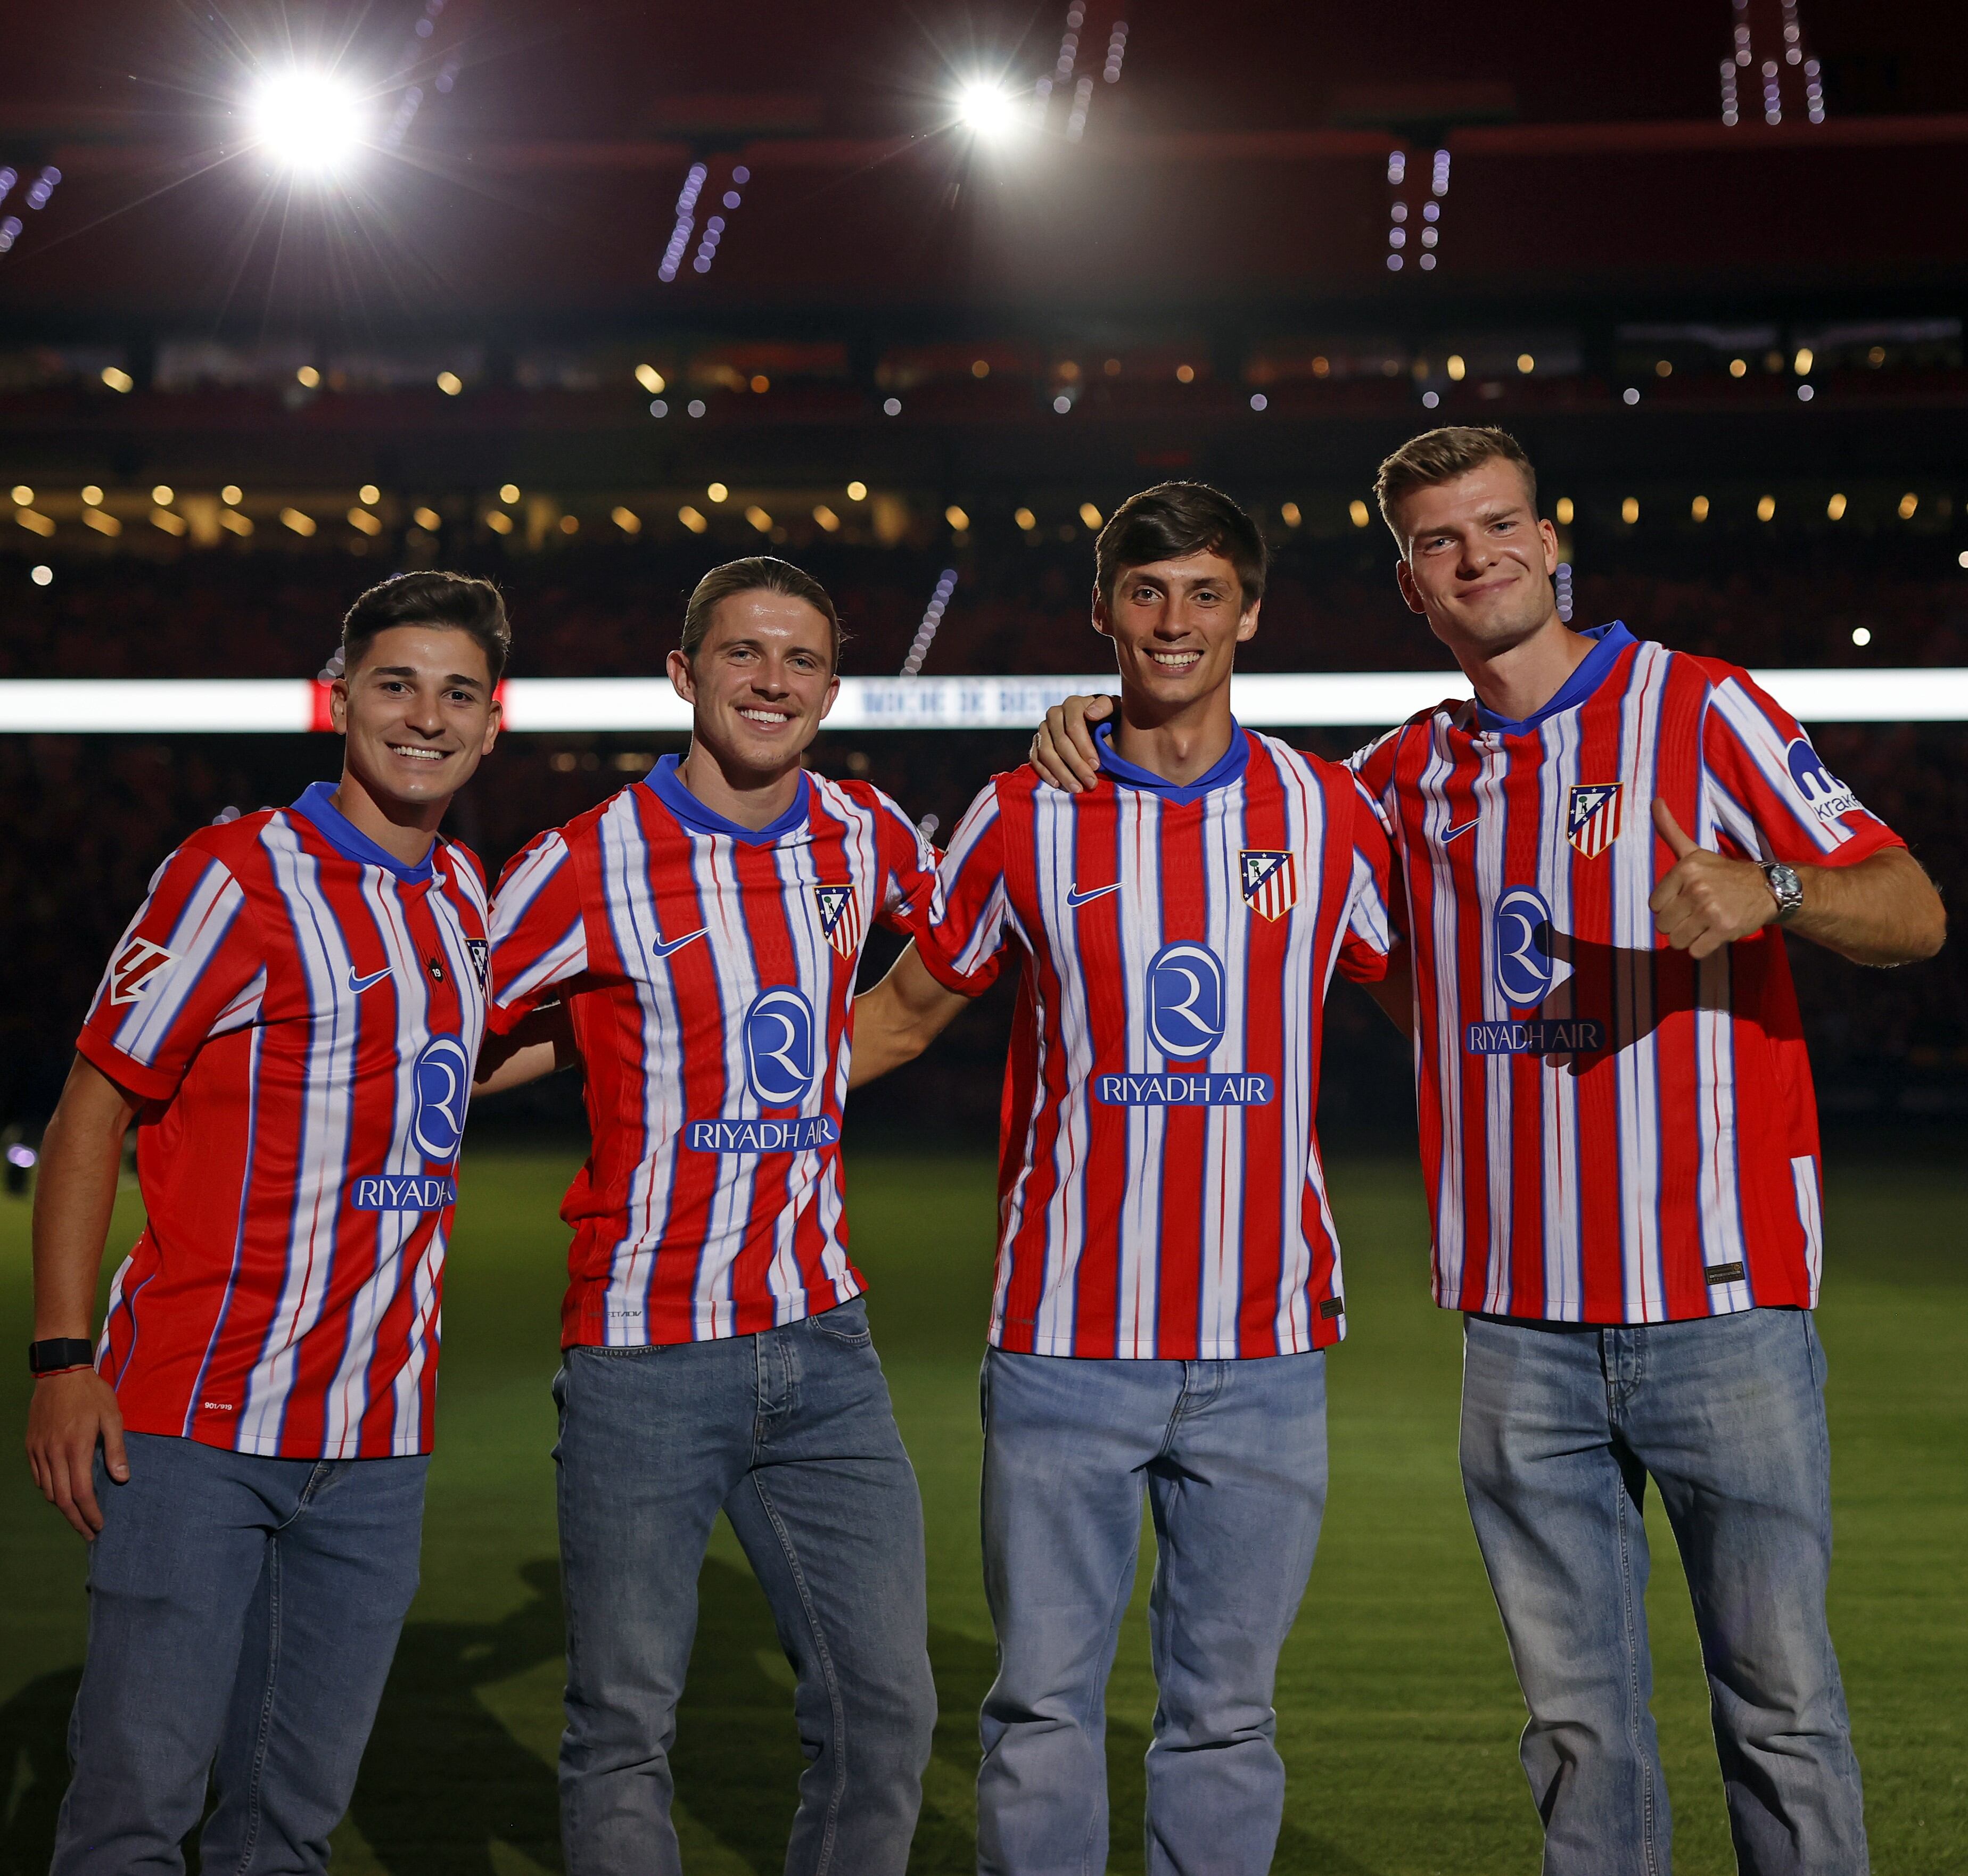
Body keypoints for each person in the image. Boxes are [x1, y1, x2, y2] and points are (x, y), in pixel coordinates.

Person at [1028, 427, 1947, 1876]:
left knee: (1777, 1702)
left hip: (1719, 1299)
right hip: (1516, 1326)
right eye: (1443, 541)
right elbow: (1258, 829)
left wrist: (1770, 887)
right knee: (1576, 1722)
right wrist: (1097, 714)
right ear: (1412, 584)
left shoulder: (1700, 709)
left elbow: (1912, 906)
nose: (1480, 555)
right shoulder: (1402, 775)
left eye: (1500, 523)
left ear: (1548, 535)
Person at [849, 483, 1395, 1876]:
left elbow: (1446, 998)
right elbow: (907, 1008)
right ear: (1102, 612)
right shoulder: (1028, 808)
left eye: (1205, 591)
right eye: (1145, 591)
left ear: (1250, 612)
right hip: (1064, 1348)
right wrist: (717, 1101)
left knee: (1224, 1718)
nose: (1174, 620)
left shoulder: (1325, 813)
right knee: (1039, 1712)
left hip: (1264, 1348)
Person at [24, 571, 508, 1876]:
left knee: (286, 1829)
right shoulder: (235, 875)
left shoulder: (463, 890)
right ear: (337, 695)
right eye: (395, 683)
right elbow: (92, 1106)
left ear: (493, 719)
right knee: (133, 1820)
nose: (425, 715)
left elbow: (445, 1052)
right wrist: (64, 1362)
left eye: (457, 690)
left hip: (377, 1445)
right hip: (196, 1424)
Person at [477, 556, 940, 1876]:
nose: (772, 680)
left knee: (887, 1708)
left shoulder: (867, 834)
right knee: (623, 1724)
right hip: (641, 1347)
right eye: (742, 653)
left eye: (799, 660)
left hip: (824, 1344)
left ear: (833, 689)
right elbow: (446, 1025)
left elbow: (982, 928)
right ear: (683, 673)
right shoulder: (585, 860)